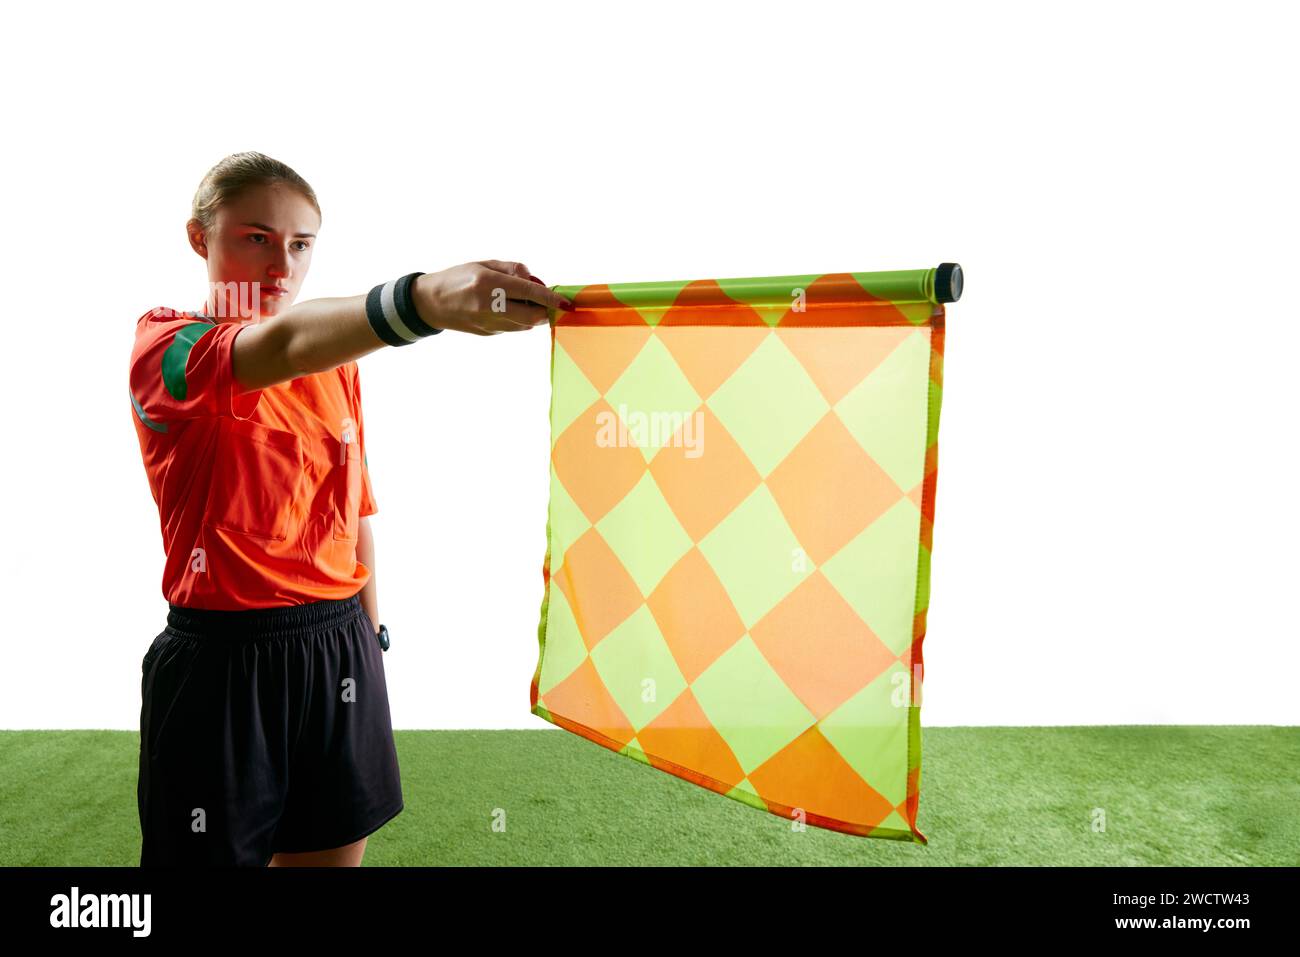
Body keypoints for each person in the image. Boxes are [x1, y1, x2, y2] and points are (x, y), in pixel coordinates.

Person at [128, 151, 572, 866]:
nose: (282, 265)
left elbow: (353, 510)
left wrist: (369, 641)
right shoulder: (168, 346)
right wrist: (422, 299)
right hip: (223, 664)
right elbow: (280, 341)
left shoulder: (337, 360)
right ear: (198, 237)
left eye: (300, 244)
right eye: (256, 237)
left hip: (336, 644)